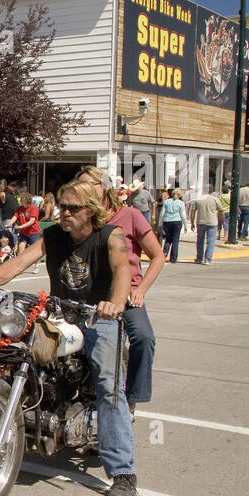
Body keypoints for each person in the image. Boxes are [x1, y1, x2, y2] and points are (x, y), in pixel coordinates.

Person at [0, 179, 137, 496]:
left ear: (91, 211)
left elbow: (122, 272)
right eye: (61, 207)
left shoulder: (109, 236)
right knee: (17, 352)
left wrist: (114, 303)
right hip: (61, 314)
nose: (64, 213)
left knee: (108, 387)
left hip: (99, 317)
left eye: (72, 209)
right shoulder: (54, 235)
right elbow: (18, 263)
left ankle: (124, 474)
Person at [91, 173, 166, 415]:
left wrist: (141, 290)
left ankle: (132, 398)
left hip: (128, 294)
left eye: (89, 185)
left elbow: (158, 256)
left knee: (144, 338)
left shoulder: (131, 215)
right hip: (94, 294)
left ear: (105, 189)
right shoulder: (85, 219)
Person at [191, 186, 219, 264]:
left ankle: (199, 258)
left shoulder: (198, 200)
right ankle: (208, 259)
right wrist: (223, 222)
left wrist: (192, 222)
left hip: (200, 222)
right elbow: (221, 210)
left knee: (200, 241)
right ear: (212, 191)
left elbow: (193, 212)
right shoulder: (215, 199)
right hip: (212, 222)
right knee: (211, 241)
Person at [158, 187, 185, 263]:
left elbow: (162, 213)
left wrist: (160, 223)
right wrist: (185, 225)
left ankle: (164, 254)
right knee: (175, 240)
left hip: (167, 221)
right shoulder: (180, 203)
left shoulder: (167, 202)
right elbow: (183, 215)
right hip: (177, 221)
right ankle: (173, 258)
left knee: (168, 239)